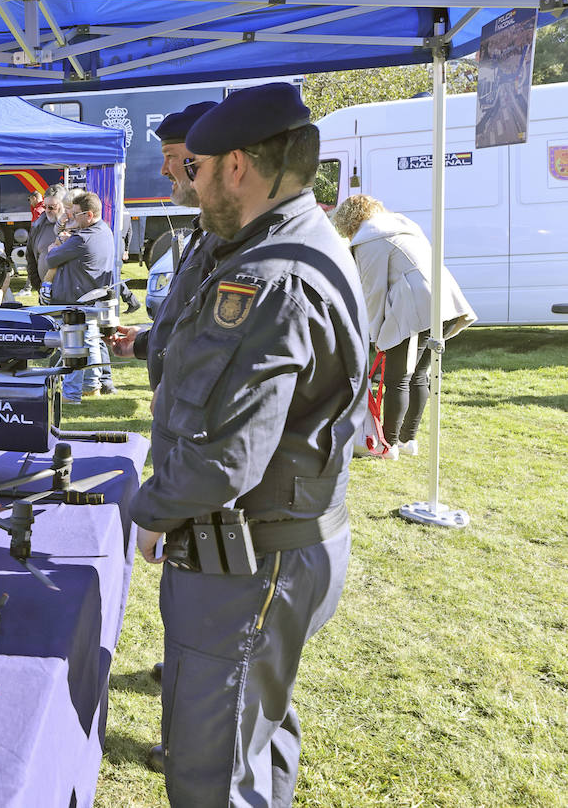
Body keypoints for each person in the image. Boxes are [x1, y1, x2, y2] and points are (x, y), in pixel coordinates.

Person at [128, 83, 366, 807]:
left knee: (211, 769)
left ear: (236, 166)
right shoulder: (277, 242)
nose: (188, 188)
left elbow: (226, 454)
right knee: (254, 729)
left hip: (249, 557)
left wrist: (149, 510)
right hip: (276, 545)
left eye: (193, 171)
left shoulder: (271, 276)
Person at [331, 193, 477, 455]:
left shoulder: (369, 240)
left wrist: (375, 337)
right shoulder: (402, 227)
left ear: (348, 224)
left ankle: (389, 444)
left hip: (418, 307)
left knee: (397, 379)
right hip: (445, 302)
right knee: (418, 375)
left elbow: (373, 293)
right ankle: (407, 441)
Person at [110, 101, 218, 365]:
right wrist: (147, 341)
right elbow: (187, 319)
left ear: (203, 162)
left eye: (171, 156)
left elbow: (216, 343)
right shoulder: (206, 231)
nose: (163, 169)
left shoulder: (228, 237)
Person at [43, 190, 116, 401]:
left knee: (73, 346)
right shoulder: (105, 231)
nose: (71, 217)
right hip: (92, 297)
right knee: (90, 342)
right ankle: (91, 385)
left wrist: (57, 245)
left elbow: (50, 259)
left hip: (76, 302)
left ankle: (71, 394)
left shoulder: (81, 239)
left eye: (76, 214)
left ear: (89, 215)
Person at [28, 184, 67, 289]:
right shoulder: (38, 226)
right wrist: (37, 285)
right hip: (44, 289)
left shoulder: (74, 225)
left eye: (52, 207)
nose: (47, 210)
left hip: (68, 291)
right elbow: (30, 257)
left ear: (64, 205)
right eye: (45, 206)